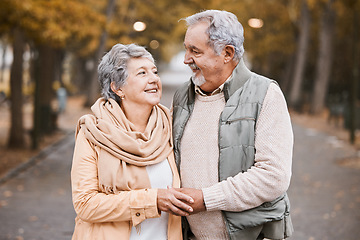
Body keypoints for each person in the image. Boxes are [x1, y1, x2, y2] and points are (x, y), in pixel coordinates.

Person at [172, 10, 294, 239]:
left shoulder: (266, 94)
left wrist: (206, 199)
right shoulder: (181, 97)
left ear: (227, 53)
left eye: (195, 51)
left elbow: (273, 176)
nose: (186, 59)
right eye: (186, 48)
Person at [71, 43, 194, 240]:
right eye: (142, 73)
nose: (154, 79)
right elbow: (85, 204)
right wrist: (152, 200)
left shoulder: (171, 126)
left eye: (154, 71)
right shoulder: (93, 132)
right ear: (117, 88)